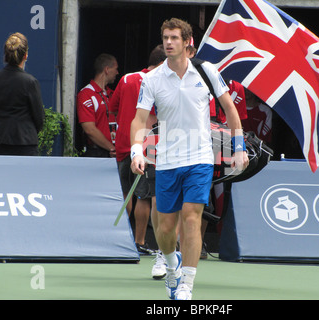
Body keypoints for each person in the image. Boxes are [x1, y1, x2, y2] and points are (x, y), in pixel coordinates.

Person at [130, 18, 249, 300]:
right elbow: (139, 119)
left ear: (187, 42)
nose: (168, 43)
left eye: (174, 38)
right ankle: (172, 265)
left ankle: (187, 284)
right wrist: (137, 150)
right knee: (165, 228)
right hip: (168, 161)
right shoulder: (151, 79)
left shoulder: (207, 72)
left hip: (200, 158)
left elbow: (230, 110)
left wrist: (239, 146)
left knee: (192, 218)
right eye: (165, 38)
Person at [109, 45, 166, 262]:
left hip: (124, 145)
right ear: (161, 64)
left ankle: (119, 241)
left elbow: (113, 107)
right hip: (146, 147)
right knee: (143, 196)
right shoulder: (160, 81)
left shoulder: (125, 79)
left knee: (124, 195)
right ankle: (139, 242)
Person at [0, 32, 44, 156]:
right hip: (25, 141)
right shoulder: (30, 82)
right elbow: (39, 117)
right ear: (25, 55)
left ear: (6, 56)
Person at [76, 53, 119, 158]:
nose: (117, 73)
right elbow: (89, 129)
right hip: (97, 153)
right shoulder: (86, 94)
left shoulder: (113, 94)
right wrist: (112, 148)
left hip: (115, 153)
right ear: (107, 69)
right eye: (116, 69)